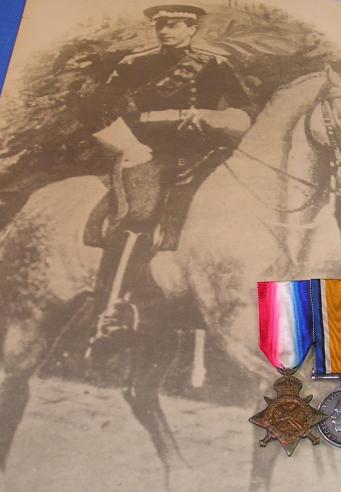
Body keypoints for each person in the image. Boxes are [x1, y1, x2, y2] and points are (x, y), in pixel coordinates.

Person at [83, 4, 254, 346]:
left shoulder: (215, 64)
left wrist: (210, 116)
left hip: (203, 151)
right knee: (140, 215)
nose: (165, 31)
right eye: (161, 25)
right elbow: (96, 109)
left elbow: (246, 110)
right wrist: (128, 146)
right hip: (147, 151)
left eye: (175, 25)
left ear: (192, 29)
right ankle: (111, 307)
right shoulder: (134, 64)